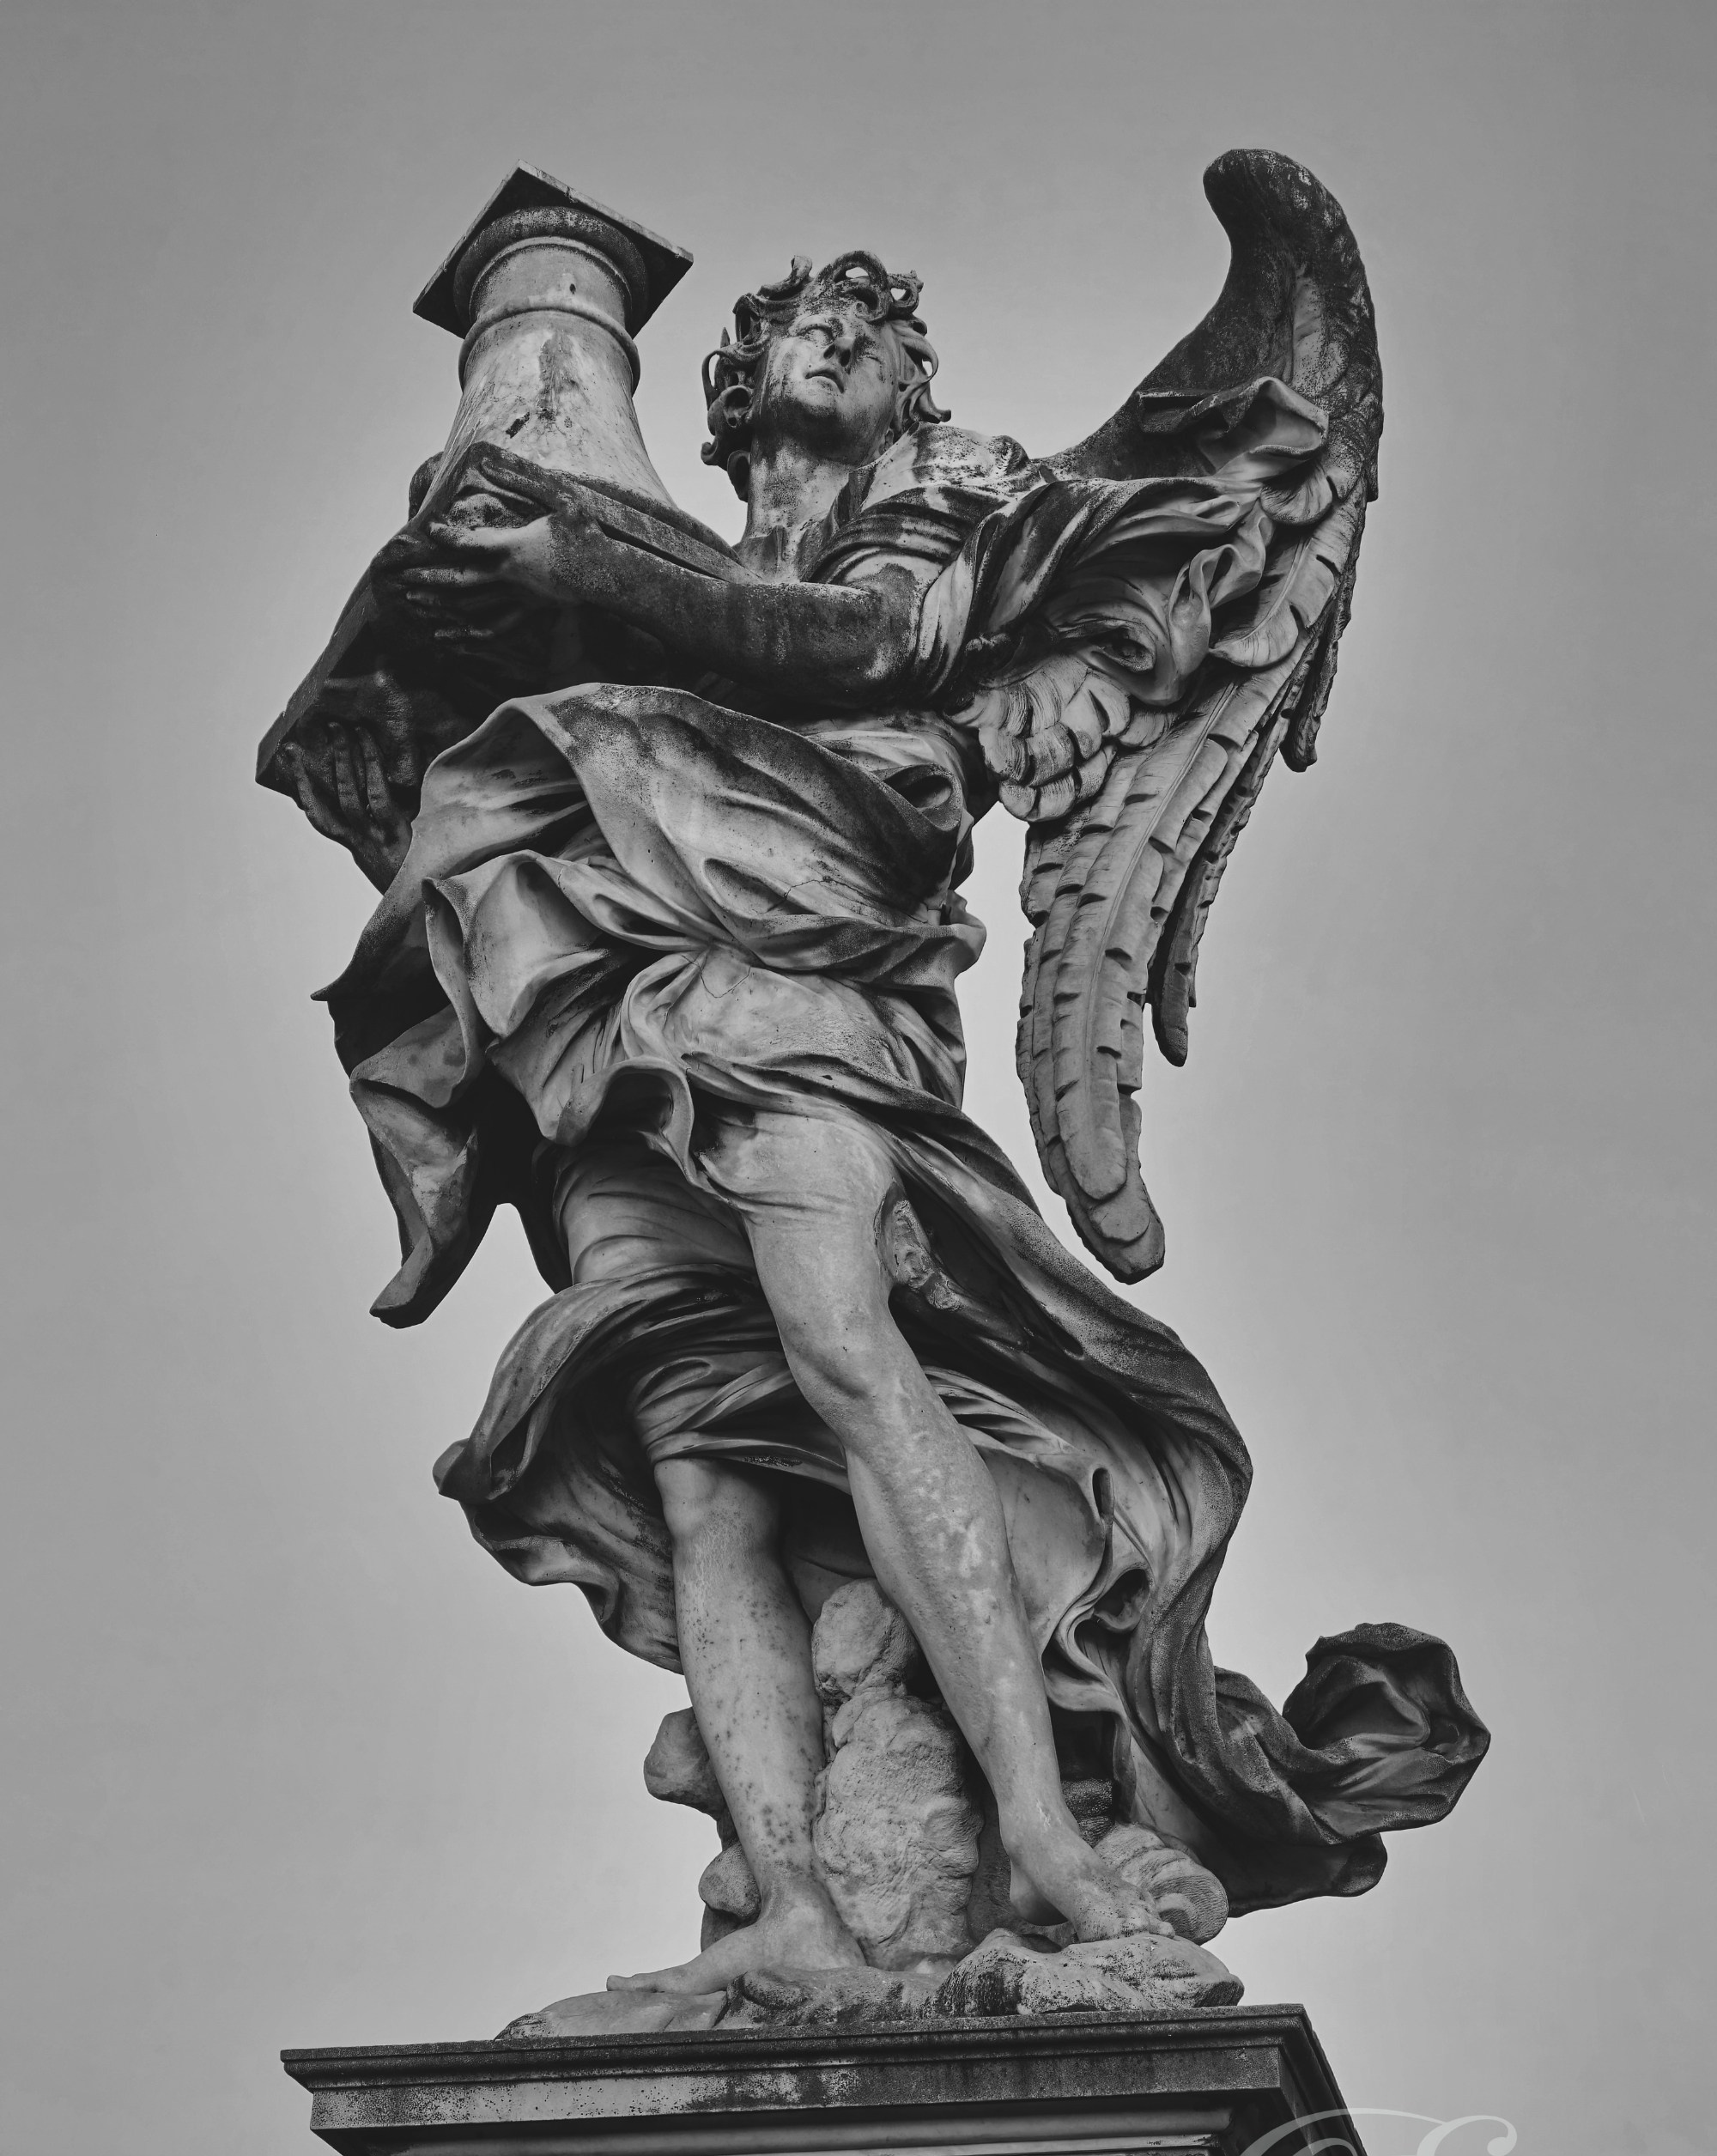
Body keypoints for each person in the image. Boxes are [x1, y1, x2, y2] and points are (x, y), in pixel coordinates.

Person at [300, 250, 1484, 1999]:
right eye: (795, 332)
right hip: (627, 983)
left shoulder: (957, 490)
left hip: (803, 978)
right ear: (734, 385)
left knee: (851, 1357)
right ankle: (786, 1903)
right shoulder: (691, 564)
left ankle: (1042, 1834)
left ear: (911, 377)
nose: (832, 350)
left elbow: (887, 642)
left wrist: (583, 566)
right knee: (700, 1473)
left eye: (866, 334)